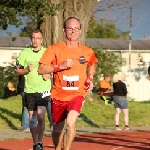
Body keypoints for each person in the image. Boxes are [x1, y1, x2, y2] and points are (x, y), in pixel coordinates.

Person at [38, 17, 98, 150]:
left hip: (77, 94)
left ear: (80, 31)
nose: (73, 31)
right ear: (64, 30)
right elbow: (41, 69)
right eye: (70, 28)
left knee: (71, 122)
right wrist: (60, 66)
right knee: (57, 131)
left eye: (76, 28)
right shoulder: (54, 49)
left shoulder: (87, 51)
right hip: (58, 96)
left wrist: (90, 78)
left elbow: (92, 62)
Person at [15, 29, 53, 150]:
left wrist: (50, 74)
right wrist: (26, 70)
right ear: (31, 39)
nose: (35, 40)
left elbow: (53, 67)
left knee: (41, 117)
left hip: (43, 89)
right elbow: (16, 71)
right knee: (33, 119)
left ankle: (40, 142)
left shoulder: (47, 52)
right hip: (29, 90)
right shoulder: (24, 53)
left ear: (41, 40)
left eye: (38, 38)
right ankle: (35, 142)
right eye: (33, 38)